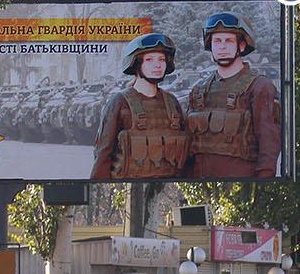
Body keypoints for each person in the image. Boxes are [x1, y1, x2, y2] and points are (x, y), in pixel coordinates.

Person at [185, 12, 281, 179]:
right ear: (210, 46)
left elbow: (269, 148)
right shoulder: (198, 90)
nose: (222, 47)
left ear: (242, 45)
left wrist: (262, 184)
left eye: (228, 41)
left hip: (241, 183)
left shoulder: (260, 87)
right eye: (217, 41)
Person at [91, 33, 189, 179]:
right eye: (149, 59)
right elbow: (103, 155)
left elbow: (185, 156)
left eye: (162, 59)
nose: (157, 65)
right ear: (136, 64)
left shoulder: (172, 103)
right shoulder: (119, 102)